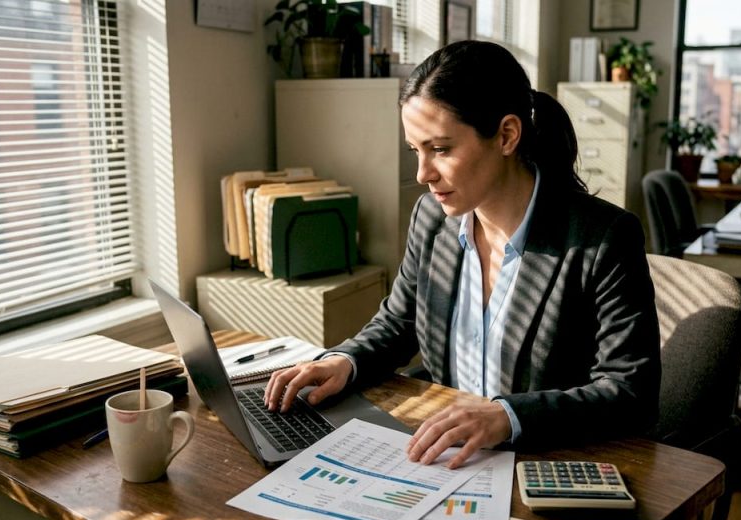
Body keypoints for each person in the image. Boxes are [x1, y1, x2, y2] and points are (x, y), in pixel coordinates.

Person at [265, 40, 660, 469]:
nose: (422, 174)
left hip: (548, 463)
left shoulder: (603, 238)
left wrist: (507, 416)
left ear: (506, 135)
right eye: (416, 151)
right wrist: (346, 360)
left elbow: (630, 391)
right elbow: (400, 322)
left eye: (440, 149)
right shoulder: (432, 219)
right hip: (452, 464)